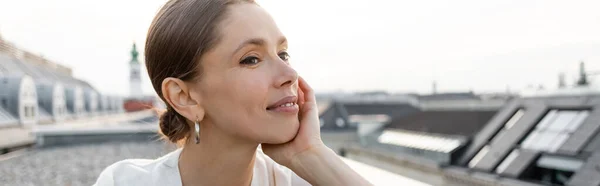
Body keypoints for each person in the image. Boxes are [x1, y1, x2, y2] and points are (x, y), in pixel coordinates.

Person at [94, 0, 372, 185]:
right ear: (184, 97)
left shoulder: (306, 178)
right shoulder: (123, 182)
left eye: (283, 54)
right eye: (251, 59)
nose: (290, 75)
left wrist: (311, 154)